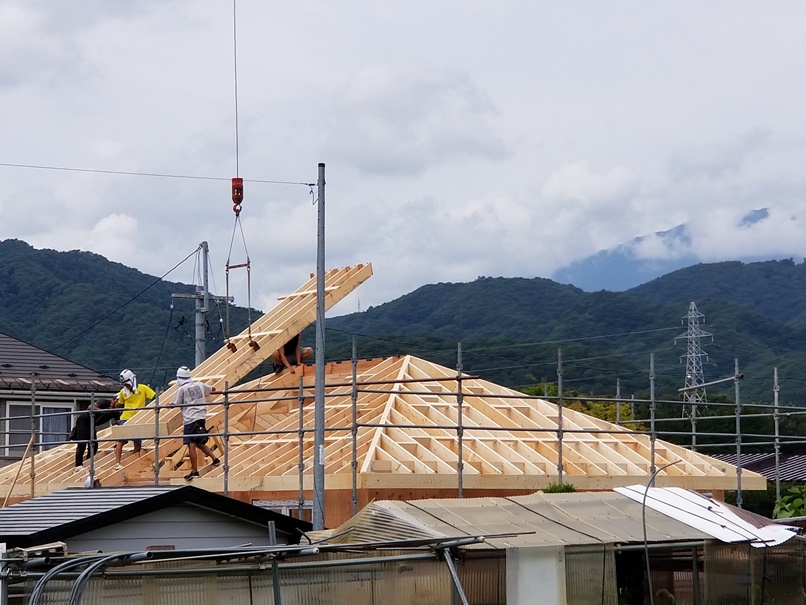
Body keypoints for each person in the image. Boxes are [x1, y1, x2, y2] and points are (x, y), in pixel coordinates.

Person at [171, 366, 220, 480]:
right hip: (201, 418)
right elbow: (213, 389)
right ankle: (215, 459)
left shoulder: (182, 389)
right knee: (199, 442)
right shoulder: (200, 385)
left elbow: (175, 404)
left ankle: (194, 471)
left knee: (191, 445)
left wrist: (169, 405)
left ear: (179, 378)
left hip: (190, 420)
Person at [113, 369, 156, 469]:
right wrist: (116, 404)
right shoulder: (123, 392)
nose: (126, 386)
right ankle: (118, 463)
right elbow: (120, 404)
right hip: (126, 418)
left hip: (138, 419)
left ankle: (130, 460)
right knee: (121, 441)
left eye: (127, 384)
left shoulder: (143, 388)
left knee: (138, 445)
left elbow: (155, 397)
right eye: (125, 385)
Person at [72, 398, 119, 472]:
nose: (118, 406)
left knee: (94, 445)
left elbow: (119, 423)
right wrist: (103, 411)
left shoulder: (115, 412)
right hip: (84, 420)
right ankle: (78, 465)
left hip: (92, 424)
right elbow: (90, 407)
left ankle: (88, 462)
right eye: (118, 404)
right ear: (114, 400)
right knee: (82, 444)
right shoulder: (104, 402)